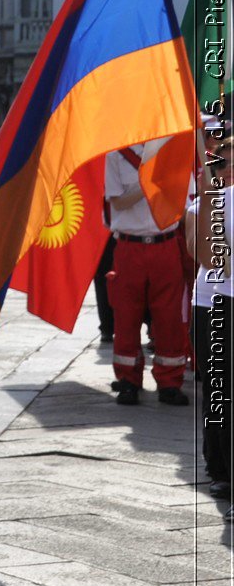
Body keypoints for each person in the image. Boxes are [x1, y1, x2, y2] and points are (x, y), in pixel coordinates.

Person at [105, 139, 191, 405]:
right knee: (126, 316)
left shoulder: (172, 151)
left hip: (165, 245)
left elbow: (185, 201)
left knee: (169, 317)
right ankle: (129, 381)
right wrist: (148, 183)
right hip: (130, 246)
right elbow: (117, 203)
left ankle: (169, 382)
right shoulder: (116, 154)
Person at [189, 118, 231, 500]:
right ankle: (219, 465)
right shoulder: (207, 201)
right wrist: (207, 199)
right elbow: (204, 256)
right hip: (211, 303)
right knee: (217, 388)